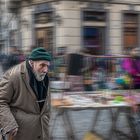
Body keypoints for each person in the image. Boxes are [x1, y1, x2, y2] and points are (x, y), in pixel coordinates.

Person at [0, 47, 52, 140]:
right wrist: (9, 124)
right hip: (20, 133)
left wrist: (46, 118)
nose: (45, 70)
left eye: (48, 66)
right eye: (42, 65)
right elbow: (1, 101)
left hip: (42, 131)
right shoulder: (13, 75)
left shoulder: (44, 76)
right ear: (32, 63)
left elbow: (46, 104)